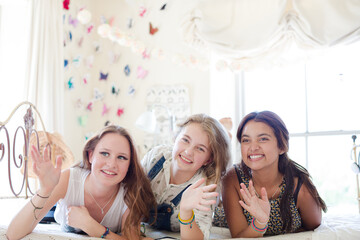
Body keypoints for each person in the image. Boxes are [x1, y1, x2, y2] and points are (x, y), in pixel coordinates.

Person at [6, 125, 156, 240]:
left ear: (130, 164)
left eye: (121, 157)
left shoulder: (131, 192)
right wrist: (45, 190)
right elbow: (12, 234)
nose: (112, 164)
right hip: (56, 214)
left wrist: (90, 225)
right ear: (90, 156)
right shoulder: (68, 179)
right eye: (104, 153)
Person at [222, 111, 327, 238]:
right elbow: (239, 236)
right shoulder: (233, 178)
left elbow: (313, 225)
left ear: (282, 147)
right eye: (246, 140)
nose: (253, 147)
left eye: (263, 139)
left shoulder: (300, 188)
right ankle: (223, 131)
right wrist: (260, 223)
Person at [141, 113, 231, 240]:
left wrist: (186, 211)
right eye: (185, 140)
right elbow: (128, 194)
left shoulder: (206, 187)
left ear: (208, 160)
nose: (188, 152)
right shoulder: (156, 157)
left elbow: (197, 238)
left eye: (200, 149)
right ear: (175, 138)